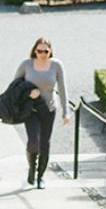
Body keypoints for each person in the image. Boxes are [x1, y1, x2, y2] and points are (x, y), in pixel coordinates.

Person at [13, 37, 69, 189]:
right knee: (33, 141)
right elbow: (15, 86)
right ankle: (31, 168)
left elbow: (63, 89)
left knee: (45, 143)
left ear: (50, 51)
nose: (42, 54)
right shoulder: (26, 64)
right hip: (31, 109)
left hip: (49, 109)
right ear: (34, 51)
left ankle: (40, 176)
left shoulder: (56, 65)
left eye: (46, 51)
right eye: (39, 51)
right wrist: (28, 94)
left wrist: (66, 112)